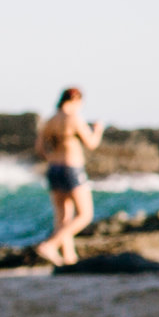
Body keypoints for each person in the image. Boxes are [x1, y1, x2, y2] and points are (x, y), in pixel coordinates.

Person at [33, 87, 105, 265]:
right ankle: (50, 245)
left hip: (54, 169)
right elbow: (91, 143)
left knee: (63, 217)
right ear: (75, 101)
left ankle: (69, 258)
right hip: (71, 169)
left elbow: (39, 149)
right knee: (85, 214)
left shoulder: (50, 121)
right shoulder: (73, 119)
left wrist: (52, 157)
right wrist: (98, 130)